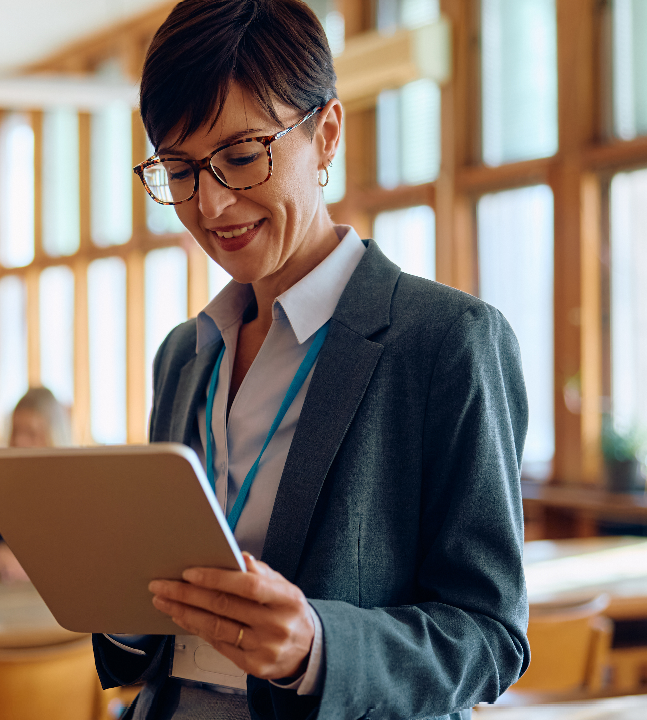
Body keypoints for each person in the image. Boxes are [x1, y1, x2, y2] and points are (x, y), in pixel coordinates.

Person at [93, 2, 530, 719]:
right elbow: (153, 638)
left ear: (326, 134)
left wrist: (317, 647)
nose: (213, 204)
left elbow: (490, 637)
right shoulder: (184, 352)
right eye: (179, 170)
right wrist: (123, 604)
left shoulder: (447, 341)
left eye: (241, 156)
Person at [0, 387, 71, 581]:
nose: (20, 441)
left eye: (31, 433)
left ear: (54, 436)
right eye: (16, 432)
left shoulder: (73, 492)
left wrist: (35, 567)